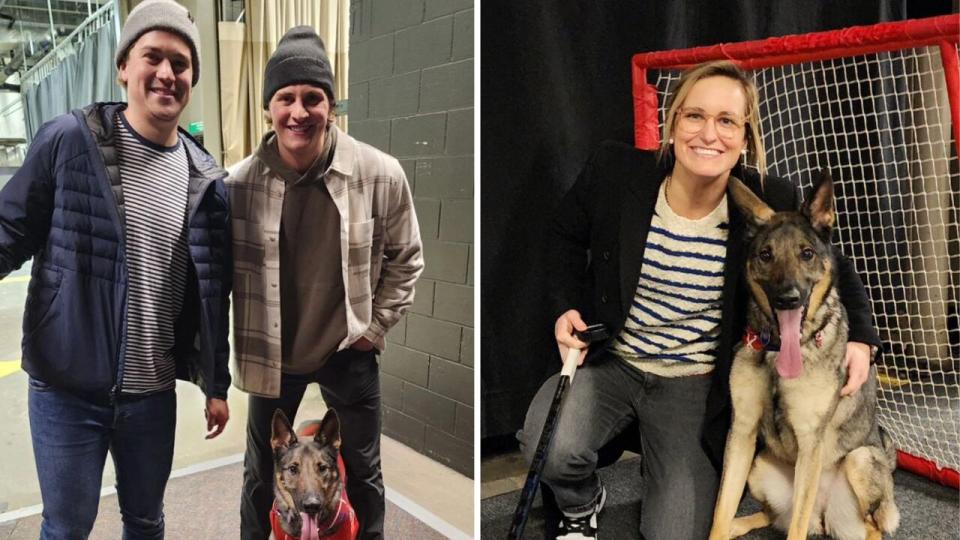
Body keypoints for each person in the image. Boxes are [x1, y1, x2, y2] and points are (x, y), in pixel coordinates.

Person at [518, 61, 881, 540]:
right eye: (695, 116)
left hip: (693, 383)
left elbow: (833, 266)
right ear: (672, 125)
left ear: (746, 137)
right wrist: (565, 307)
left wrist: (863, 339)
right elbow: (562, 234)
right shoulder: (615, 171)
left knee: (675, 532)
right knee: (551, 446)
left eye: (727, 121)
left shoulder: (767, 197)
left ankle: (665, 464)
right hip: (614, 363)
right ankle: (581, 501)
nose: (709, 133)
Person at [0, 0, 232, 537]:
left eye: (181, 63)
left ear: (193, 76)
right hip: (67, 387)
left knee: (146, 521)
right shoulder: (68, 139)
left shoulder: (205, 179)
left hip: (152, 395)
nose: (167, 74)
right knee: (67, 527)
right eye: (154, 57)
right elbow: (9, 230)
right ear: (124, 66)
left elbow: (211, 291)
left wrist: (216, 382)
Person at [228, 26, 424, 540]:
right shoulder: (237, 185)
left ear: (330, 106)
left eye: (312, 97)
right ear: (268, 107)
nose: (299, 111)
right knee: (257, 478)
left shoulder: (380, 174)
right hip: (274, 358)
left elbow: (408, 258)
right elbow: (211, 277)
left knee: (364, 474)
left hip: (348, 349)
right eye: (285, 97)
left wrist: (373, 327)